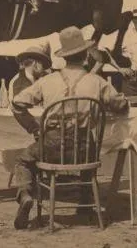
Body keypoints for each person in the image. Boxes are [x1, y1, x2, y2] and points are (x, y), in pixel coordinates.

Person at [10, 26, 130, 229]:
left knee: (23, 161)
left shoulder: (47, 81)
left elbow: (16, 104)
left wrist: (35, 128)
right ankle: (85, 203)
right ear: (84, 56)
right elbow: (121, 105)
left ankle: (25, 195)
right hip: (84, 149)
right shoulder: (97, 82)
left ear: (64, 57)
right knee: (87, 148)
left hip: (51, 147)